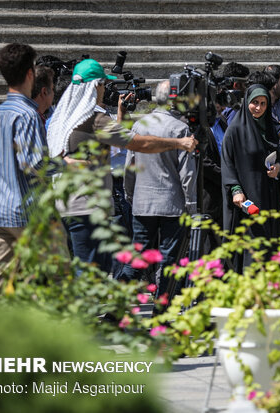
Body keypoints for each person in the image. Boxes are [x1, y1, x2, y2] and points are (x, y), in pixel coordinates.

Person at [47, 58, 197, 272]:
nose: (104, 90)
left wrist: (120, 114)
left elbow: (114, 146)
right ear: (96, 85)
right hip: (88, 207)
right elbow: (139, 143)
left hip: (67, 205)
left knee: (91, 267)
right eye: (103, 85)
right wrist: (179, 143)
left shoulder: (66, 119)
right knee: (91, 270)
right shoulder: (95, 119)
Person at [120, 80, 196, 298]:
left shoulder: (139, 125)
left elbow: (129, 166)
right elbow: (187, 173)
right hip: (172, 204)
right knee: (169, 260)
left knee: (137, 258)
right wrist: (191, 204)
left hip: (143, 202)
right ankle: (162, 311)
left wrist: (130, 194)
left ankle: (115, 308)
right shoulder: (180, 128)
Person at [0, 43, 47, 279]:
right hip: (24, 214)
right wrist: (67, 165)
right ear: (30, 73)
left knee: (1, 285)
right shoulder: (27, 114)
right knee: (44, 279)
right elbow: (34, 164)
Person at [221, 85, 280, 266]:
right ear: (247, 102)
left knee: (267, 244)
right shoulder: (235, 130)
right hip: (246, 198)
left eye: (263, 103)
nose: (259, 108)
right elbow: (227, 162)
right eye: (255, 103)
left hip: (268, 195)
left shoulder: (269, 128)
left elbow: (279, 156)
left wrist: (278, 167)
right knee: (250, 244)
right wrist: (236, 189)